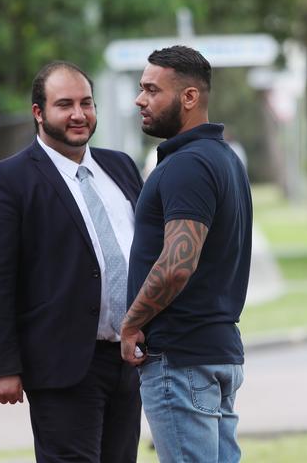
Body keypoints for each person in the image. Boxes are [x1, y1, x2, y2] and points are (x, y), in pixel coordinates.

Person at [0, 61, 143, 463]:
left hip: (128, 361)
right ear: (38, 112)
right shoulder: (5, 181)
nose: (79, 114)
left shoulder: (121, 167)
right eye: (64, 104)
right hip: (63, 364)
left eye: (86, 103)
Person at [120, 46, 252, 463]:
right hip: (213, 354)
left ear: (189, 97)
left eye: (151, 90)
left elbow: (178, 264)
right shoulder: (224, 159)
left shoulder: (187, 165)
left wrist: (131, 322)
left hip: (181, 359)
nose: (140, 100)